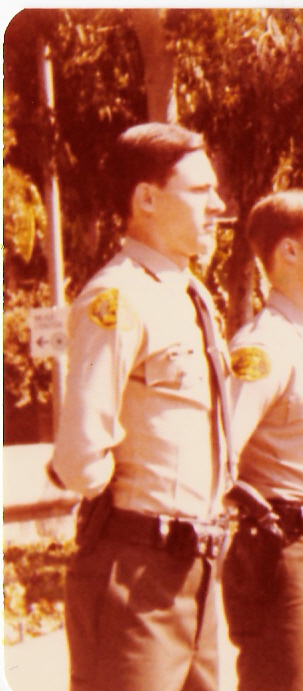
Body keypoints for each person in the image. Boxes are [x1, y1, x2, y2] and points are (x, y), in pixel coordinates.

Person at [47, 123, 229, 691]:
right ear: (146, 198)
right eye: (200, 192)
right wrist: (123, 516)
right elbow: (80, 454)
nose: (218, 206)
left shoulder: (191, 295)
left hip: (196, 569)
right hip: (137, 568)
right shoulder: (116, 297)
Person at [221, 191, 303, 690]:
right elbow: (219, 457)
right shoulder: (263, 347)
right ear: (290, 252)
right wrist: (263, 520)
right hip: (285, 548)